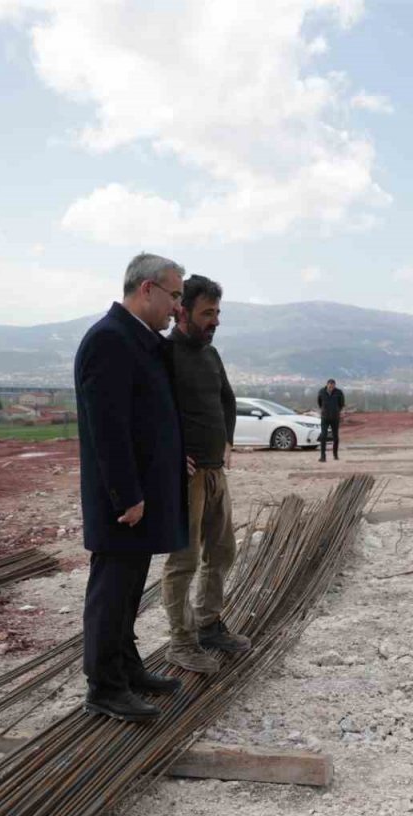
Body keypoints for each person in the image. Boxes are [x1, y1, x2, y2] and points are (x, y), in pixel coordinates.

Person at [74, 253, 189, 723]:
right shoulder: (109, 341)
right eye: (175, 296)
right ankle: (104, 687)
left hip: (138, 496)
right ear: (147, 289)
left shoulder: (137, 340)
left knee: (127, 592)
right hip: (123, 502)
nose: (178, 308)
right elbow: (109, 429)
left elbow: (148, 418)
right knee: (111, 591)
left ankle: (126, 669)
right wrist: (128, 495)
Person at [163, 274, 251, 674]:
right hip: (186, 477)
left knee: (223, 551)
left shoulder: (210, 354)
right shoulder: (163, 355)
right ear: (182, 311)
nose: (215, 321)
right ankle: (181, 642)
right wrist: (169, 453)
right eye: (207, 313)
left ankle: (209, 623)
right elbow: (148, 415)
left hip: (215, 472)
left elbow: (227, 399)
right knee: (184, 560)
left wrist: (227, 440)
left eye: (217, 313)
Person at [317, 378, 345, 462]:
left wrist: (337, 411)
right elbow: (319, 403)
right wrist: (324, 410)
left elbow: (341, 404)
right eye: (330, 386)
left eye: (332, 386)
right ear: (327, 385)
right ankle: (323, 456)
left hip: (335, 418)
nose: (331, 387)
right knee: (323, 436)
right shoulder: (321, 392)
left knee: (335, 437)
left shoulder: (339, 392)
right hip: (325, 417)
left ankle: (335, 454)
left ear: (334, 386)